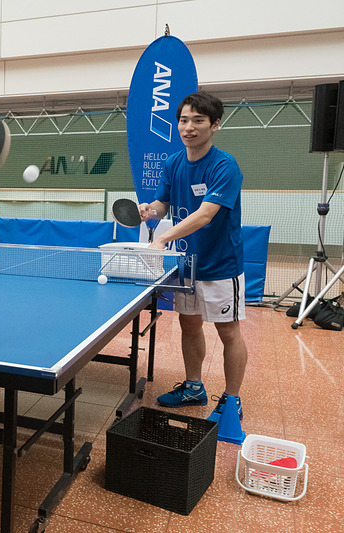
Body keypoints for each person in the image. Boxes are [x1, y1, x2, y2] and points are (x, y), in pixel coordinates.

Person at [138, 91, 247, 423]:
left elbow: (205, 214)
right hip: (186, 265)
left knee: (228, 332)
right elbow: (163, 203)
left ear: (215, 124)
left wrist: (163, 238)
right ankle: (194, 387)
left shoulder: (225, 166)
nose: (189, 127)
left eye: (198, 120)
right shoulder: (173, 163)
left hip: (220, 265)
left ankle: (232, 399)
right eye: (184, 120)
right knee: (189, 324)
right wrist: (151, 210)